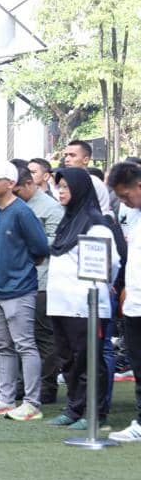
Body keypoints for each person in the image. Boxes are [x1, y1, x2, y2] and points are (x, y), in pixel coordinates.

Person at [42, 166, 118, 431]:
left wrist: (101, 289)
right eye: (59, 187)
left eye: (66, 187)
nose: (61, 192)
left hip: (85, 305)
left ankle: (94, 412)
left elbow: (110, 263)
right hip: (61, 303)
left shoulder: (96, 223)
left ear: (80, 189)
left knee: (88, 360)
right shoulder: (68, 220)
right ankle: (74, 408)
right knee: (68, 360)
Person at [0, 161, 52, 420]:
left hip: (19, 289)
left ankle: (31, 402)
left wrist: (20, 269)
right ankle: (6, 399)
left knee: (24, 345)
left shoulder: (21, 212)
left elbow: (40, 247)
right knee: (3, 346)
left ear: (10, 184)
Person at [15, 164, 64, 404]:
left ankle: (46, 387)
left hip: (42, 280)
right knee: (20, 337)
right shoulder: (14, 205)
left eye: (16, 189)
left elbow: (56, 242)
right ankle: (23, 384)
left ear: (28, 183)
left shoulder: (50, 207)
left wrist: (26, 242)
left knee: (43, 336)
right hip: (19, 279)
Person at [108, 162, 141, 441]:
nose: (123, 202)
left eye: (125, 195)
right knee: (139, 367)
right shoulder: (133, 214)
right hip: (134, 304)